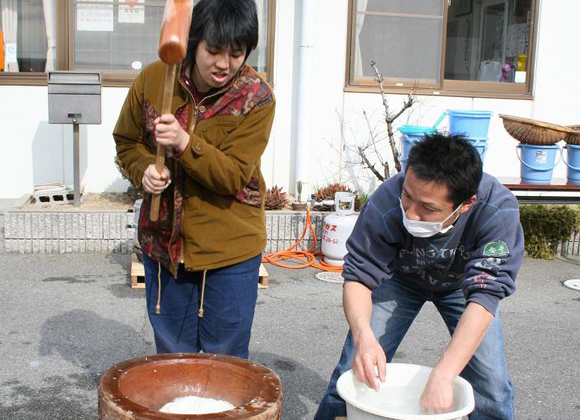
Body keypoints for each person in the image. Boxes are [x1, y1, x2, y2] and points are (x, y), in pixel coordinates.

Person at [315, 133, 523, 419]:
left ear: (466, 204)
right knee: (355, 372)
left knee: (492, 387)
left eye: (428, 208)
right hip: (398, 279)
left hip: (465, 287)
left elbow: (486, 295)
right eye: (408, 198)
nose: (411, 214)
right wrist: (364, 339)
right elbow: (359, 277)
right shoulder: (387, 199)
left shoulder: (496, 210)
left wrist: (444, 374)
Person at [113, 0, 275, 358]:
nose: (223, 64)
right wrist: (144, 170)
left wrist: (185, 143)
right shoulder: (155, 80)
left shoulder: (257, 97)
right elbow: (126, 141)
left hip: (229, 249)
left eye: (236, 53)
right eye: (213, 50)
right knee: (173, 356)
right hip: (163, 242)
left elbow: (234, 174)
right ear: (194, 41)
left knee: (226, 359)